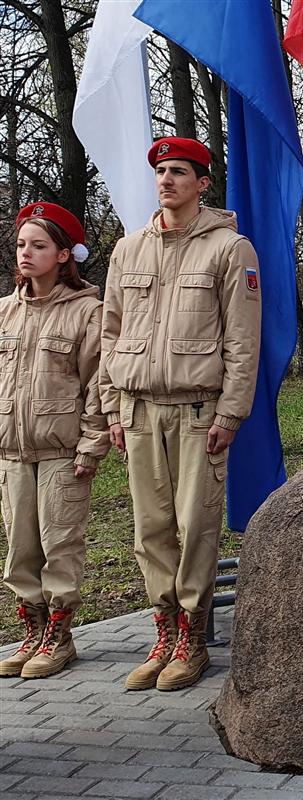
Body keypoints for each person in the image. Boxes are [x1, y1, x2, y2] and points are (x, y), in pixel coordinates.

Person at [99, 136, 261, 692]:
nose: (166, 180)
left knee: (195, 526)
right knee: (151, 529)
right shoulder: (129, 249)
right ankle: (163, 630)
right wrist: (111, 407)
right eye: (161, 172)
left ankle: (192, 637)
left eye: (178, 172)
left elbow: (243, 341)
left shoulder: (230, 249)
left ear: (202, 183)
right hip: (139, 409)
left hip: (198, 412)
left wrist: (231, 414)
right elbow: (111, 334)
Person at [0, 202, 108, 679]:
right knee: (21, 549)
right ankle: (32, 630)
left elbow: (97, 386)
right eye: (22, 244)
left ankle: (60, 637)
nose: (26, 253)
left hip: (63, 451)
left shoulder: (87, 312)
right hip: (12, 451)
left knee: (59, 545)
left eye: (39, 245)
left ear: (65, 254)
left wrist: (90, 445)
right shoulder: (4, 312)